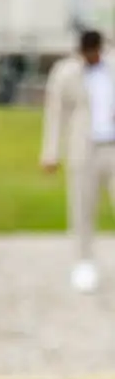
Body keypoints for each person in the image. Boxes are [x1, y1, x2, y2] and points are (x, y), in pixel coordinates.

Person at [41, 29, 113, 293]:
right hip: (85, 147)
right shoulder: (65, 72)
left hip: (113, 147)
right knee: (82, 206)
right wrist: (50, 152)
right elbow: (55, 113)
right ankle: (84, 262)